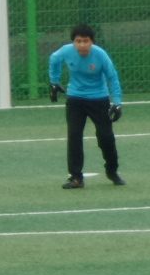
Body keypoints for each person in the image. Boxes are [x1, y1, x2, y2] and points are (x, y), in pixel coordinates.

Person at [48, 25, 123, 190]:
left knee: (106, 137)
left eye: (86, 41)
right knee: (74, 136)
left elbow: (112, 77)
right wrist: (54, 82)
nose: (82, 45)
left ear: (92, 42)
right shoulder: (66, 51)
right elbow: (54, 59)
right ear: (73, 42)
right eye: (78, 41)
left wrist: (117, 103)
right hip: (75, 99)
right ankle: (76, 177)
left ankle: (112, 171)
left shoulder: (100, 55)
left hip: (99, 99)